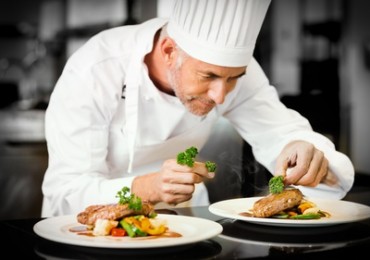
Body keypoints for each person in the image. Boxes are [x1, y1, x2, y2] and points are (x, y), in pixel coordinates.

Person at [41, 0, 354, 217]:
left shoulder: (231, 71)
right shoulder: (96, 68)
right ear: (167, 52)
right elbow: (65, 193)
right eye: (209, 76)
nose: (221, 95)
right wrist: (146, 187)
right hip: (90, 236)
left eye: (233, 78)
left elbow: (280, 131)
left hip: (185, 225)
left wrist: (301, 149)